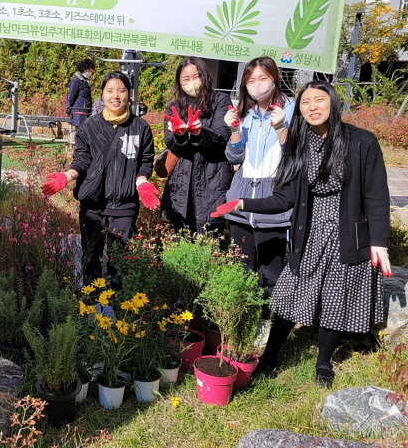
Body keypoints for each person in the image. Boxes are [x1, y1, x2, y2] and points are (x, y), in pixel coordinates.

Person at [211, 81, 391, 387]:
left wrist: (379, 243)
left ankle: (323, 362)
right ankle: (270, 356)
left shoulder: (361, 142)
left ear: (333, 103)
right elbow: (285, 198)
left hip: (347, 234)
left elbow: (376, 195)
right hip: (309, 233)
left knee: (336, 298)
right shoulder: (298, 145)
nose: (313, 107)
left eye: (319, 100)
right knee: (288, 295)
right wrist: (242, 202)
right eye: (306, 102)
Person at [42, 71, 158, 283]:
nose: (116, 96)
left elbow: (146, 160)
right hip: (92, 206)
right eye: (110, 91)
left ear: (129, 94)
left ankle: (117, 307)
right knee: (90, 258)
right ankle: (90, 306)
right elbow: (82, 159)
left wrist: (142, 181)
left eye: (121, 90)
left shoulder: (140, 127)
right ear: (102, 95)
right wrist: (67, 176)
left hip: (124, 206)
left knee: (119, 262)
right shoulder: (90, 126)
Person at [221, 57, 296, 303]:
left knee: (270, 270)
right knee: (241, 266)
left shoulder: (293, 111)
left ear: (275, 79)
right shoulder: (245, 113)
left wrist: (282, 128)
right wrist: (234, 131)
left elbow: (295, 160)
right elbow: (234, 157)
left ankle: (267, 320)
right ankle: (241, 319)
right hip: (242, 197)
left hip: (272, 200)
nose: (257, 85)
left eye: (263, 78)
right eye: (251, 80)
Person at [160, 56, 233, 235]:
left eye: (196, 76)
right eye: (186, 78)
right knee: (181, 236)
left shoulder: (220, 100)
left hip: (213, 178)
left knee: (209, 237)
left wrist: (200, 133)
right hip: (182, 180)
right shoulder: (174, 106)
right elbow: (170, 142)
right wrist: (179, 135)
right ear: (179, 82)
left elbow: (223, 135)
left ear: (205, 76)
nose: (191, 82)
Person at [66, 58, 95, 141]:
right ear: (85, 69)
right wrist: (69, 107)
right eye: (90, 70)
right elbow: (71, 95)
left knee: (86, 133)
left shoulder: (85, 81)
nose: (91, 72)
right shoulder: (76, 81)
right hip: (79, 111)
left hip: (86, 111)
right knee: (80, 133)